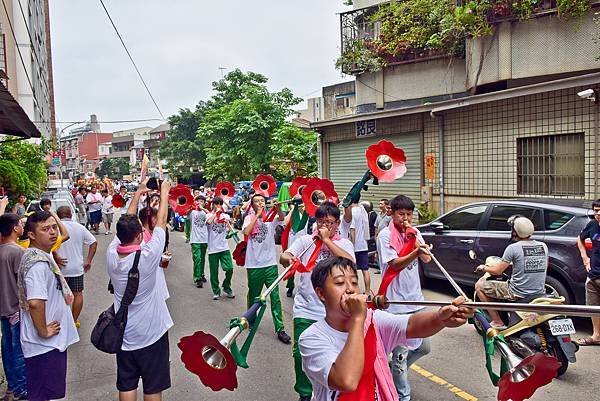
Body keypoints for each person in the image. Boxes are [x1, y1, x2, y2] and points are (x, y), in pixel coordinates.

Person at [298, 257, 471, 401]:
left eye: (354, 282)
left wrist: (441, 317)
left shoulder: (373, 320)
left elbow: (410, 325)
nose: (350, 289)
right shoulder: (311, 338)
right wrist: (358, 318)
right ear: (321, 293)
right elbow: (346, 381)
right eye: (340, 283)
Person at [280, 201, 355, 401]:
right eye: (321, 222)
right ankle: (305, 393)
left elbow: (350, 263)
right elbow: (286, 255)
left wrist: (327, 241)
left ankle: (329, 391)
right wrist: (289, 260)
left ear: (337, 224)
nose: (325, 227)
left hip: (335, 312)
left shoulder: (344, 243)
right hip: (306, 307)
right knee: (300, 354)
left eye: (330, 223)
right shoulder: (305, 241)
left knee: (333, 354)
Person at [106, 179, 173, 401]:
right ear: (138, 236)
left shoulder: (111, 254)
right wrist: (164, 192)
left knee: (127, 384)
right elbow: (161, 220)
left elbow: (128, 219)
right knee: (153, 387)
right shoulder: (148, 256)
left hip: (124, 333)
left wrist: (137, 194)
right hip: (152, 333)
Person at [17, 211, 79, 401]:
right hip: (43, 345)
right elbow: (35, 303)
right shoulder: (37, 265)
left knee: (45, 394)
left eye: (53, 227)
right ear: (32, 235)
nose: (52, 232)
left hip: (49, 345)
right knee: (43, 395)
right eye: (45, 229)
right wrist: (43, 331)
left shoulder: (43, 254)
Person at [376, 195, 432, 401]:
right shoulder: (384, 236)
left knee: (424, 347)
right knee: (400, 356)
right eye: (401, 214)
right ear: (392, 213)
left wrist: (419, 244)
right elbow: (395, 264)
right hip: (396, 303)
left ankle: (390, 370)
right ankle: (402, 395)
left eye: (409, 214)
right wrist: (415, 252)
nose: (405, 218)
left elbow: (426, 258)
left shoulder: (414, 232)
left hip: (415, 300)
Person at [475, 215, 548, 329]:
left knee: (479, 286)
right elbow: (544, 266)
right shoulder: (543, 246)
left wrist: (484, 268)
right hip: (539, 291)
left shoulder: (513, 248)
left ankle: (497, 322)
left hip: (517, 292)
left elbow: (497, 271)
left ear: (515, 231)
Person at [243, 193, 291, 344]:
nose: (260, 203)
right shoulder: (248, 218)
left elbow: (282, 220)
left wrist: (278, 209)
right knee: (254, 295)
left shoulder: (271, 217)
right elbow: (246, 232)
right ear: (252, 205)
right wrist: (256, 215)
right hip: (254, 265)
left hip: (270, 264)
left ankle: (280, 328)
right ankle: (251, 318)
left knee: (275, 297)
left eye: (262, 201)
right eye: (256, 201)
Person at [54, 206, 97, 329]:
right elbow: (93, 242)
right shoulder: (80, 227)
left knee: (59, 295)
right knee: (78, 294)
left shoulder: (55, 228)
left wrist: (56, 256)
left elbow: (48, 244)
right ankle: (73, 320)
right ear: (71, 214)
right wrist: (88, 260)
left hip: (60, 268)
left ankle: (61, 320)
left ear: (58, 215)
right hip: (76, 268)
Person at [0, 213, 27, 400]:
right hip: (15, 309)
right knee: (18, 350)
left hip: (3, 309)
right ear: (14, 228)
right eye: (20, 224)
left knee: (7, 349)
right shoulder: (16, 251)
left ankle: (12, 387)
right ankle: (20, 389)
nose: (22, 226)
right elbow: (23, 282)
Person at [576, 199, 600, 346]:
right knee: (593, 307)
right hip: (592, 276)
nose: (598, 214)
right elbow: (580, 239)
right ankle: (596, 336)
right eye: (596, 211)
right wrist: (585, 258)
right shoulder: (592, 225)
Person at [206, 196, 235, 299]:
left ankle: (226, 286)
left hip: (224, 247)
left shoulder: (225, 216)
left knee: (230, 268)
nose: (218, 206)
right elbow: (209, 222)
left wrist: (229, 229)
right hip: (213, 248)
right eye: (216, 204)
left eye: (220, 204)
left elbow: (228, 230)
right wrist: (216, 213)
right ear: (213, 204)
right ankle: (216, 291)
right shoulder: (209, 215)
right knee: (214, 272)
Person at [343, 202, 372, 294]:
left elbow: (352, 229)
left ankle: (355, 291)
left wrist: (352, 246)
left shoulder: (352, 211)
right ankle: (367, 292)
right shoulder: (362, 210)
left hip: (355, 246)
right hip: (363, 244)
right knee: (365, 270)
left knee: (351, 270)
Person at [283, 202, 310, 298]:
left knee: (307, 268)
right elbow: (284, 223)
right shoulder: (291, 215)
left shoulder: (307, 214)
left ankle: (306, 289)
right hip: (293, 245)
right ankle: (290, 287)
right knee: (291, 268)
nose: (300, 205)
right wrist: (292, 209)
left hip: (305, 246)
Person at [189, 195, 209, 288]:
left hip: (204, 239)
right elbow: (186, 213)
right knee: (197, 259)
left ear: (204, 203)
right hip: (195, 239)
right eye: (198, 201)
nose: (200, 203)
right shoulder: (192, 212)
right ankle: (198, 278)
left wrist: (203, 208)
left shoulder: (206, 213)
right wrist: (192, 206)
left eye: (202, 201)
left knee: (202, 258)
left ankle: (201, 273)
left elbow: (210, 216)